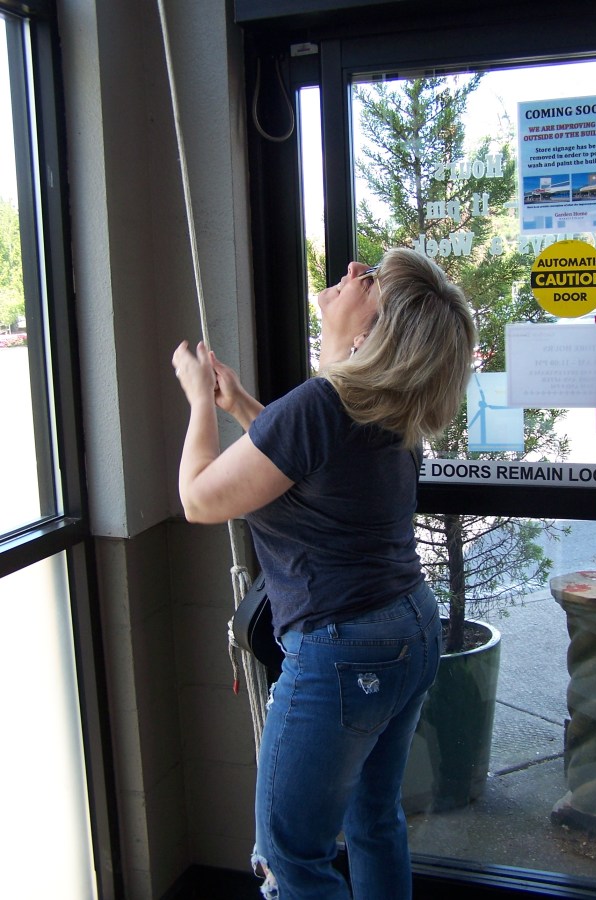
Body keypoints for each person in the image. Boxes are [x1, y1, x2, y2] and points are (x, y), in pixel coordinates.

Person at [172, 247, 476, 900]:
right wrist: (240, 404)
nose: (351, 273)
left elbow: (198, 499)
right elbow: (304, 466)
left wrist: (198, 402)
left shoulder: (323, 404)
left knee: (291, 859)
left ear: (371, 334)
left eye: (369, 280)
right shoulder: (380, 410)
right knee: (374, 820)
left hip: (345, 649)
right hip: (408, 629)